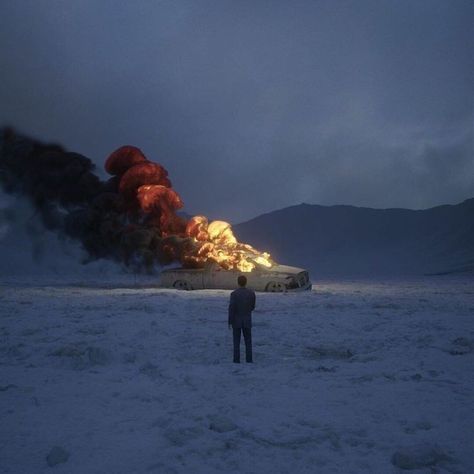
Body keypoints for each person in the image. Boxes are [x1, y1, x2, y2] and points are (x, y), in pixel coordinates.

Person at [228, 275, 256, 363]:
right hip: (247, 320)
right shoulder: (251, 293)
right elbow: (252, 307)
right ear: (246, 282)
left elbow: (232, 308)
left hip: (236, 321)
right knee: (248, 342)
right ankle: (249, 359)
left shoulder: (234, 294)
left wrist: (230, 321)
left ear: (238, 282)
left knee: (236, 342)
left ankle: (236, 360)